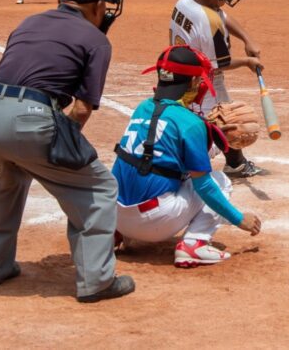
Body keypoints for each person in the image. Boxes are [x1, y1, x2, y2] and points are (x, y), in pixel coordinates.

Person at [0, 0, 134, 302]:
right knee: (100, 188)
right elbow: (81, 108)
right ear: (96, 5)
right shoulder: (96, 40)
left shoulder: (29, 22)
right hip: (30, 119)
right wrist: (60, 147)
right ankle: (97, 281)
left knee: (10, 180)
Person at [112, 46, 263, 267]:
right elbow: (204, 187)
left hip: (114, 215)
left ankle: (116, 234)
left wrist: (207, 135)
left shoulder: (142, 108)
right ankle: (194, 244)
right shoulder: (190, 124)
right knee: (220, 181)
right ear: (193, 82)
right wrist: (240, 220)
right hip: (155, 223)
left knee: (138, 162)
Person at [170, 0, 266, 178]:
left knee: (226, 115)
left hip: (181, 72)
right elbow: (219, 64)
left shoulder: (186, 1)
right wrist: (248, 62)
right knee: (216, 127)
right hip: (202, 83)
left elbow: (221, 15)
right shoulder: (207, 21)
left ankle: (236, 163)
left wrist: (247, 38)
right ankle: (176, 169)